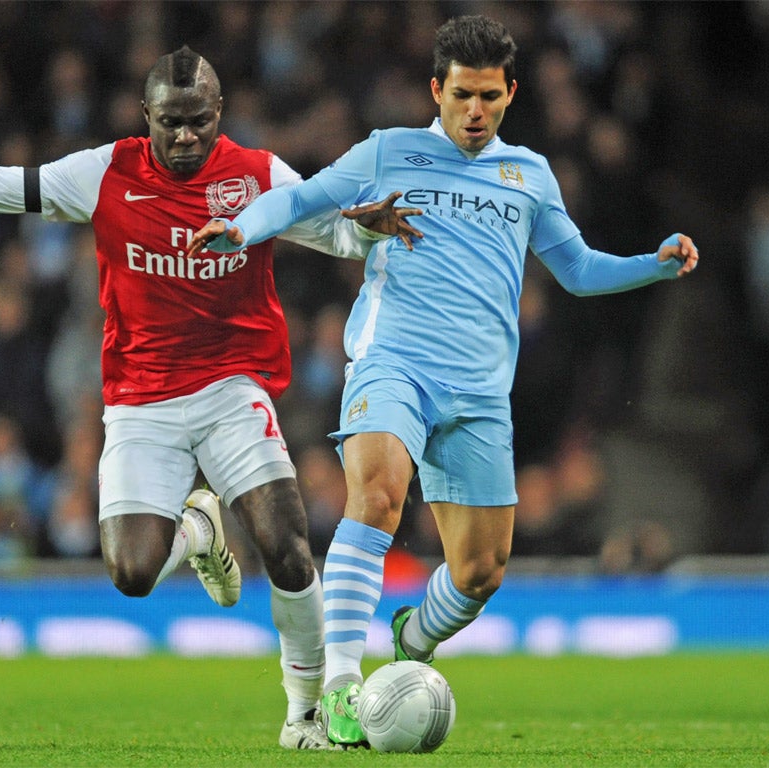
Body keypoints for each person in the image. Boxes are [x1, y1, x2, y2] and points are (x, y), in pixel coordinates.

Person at [0, 46, 419, 750]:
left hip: (231, 386)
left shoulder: (257, 175)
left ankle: (305, 711)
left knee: (287, 545)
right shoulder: (104, 173)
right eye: (171, 123)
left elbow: (328, 229)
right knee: (131, 573)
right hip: (141, 403)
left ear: (220, 115)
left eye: (199, 123)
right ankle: (198, 532)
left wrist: (368, 229)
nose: (185, 138)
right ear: (145, 116)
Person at [186, 15, 699, 747]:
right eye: (462, 95)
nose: (475, 111)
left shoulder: (529, 175)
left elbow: (579, 270)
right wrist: (243, 227)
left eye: (490, 96)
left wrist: (653, 262)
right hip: (394, 363)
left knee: (482, 571)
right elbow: (300, 201)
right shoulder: (389, 152)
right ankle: (336, 690)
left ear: (511, 92)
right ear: (437, 89)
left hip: (481, 394)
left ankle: (414, 633)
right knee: (380, 492)